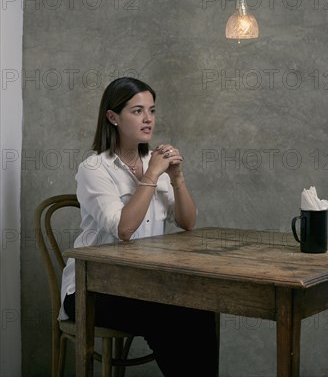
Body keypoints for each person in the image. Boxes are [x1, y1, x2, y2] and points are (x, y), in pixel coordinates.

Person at [60, 76, 219, 376]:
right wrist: (152, 174)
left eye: (152, 110)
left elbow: (187, 222)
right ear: (113, 117)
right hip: (91, 288)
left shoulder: (155, 163)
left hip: (141, 283)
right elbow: (124, 229)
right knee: (167, 313)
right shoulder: (94, 168)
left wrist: (177, 178)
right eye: (137, 111)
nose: (148, 119)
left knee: (199, 306)